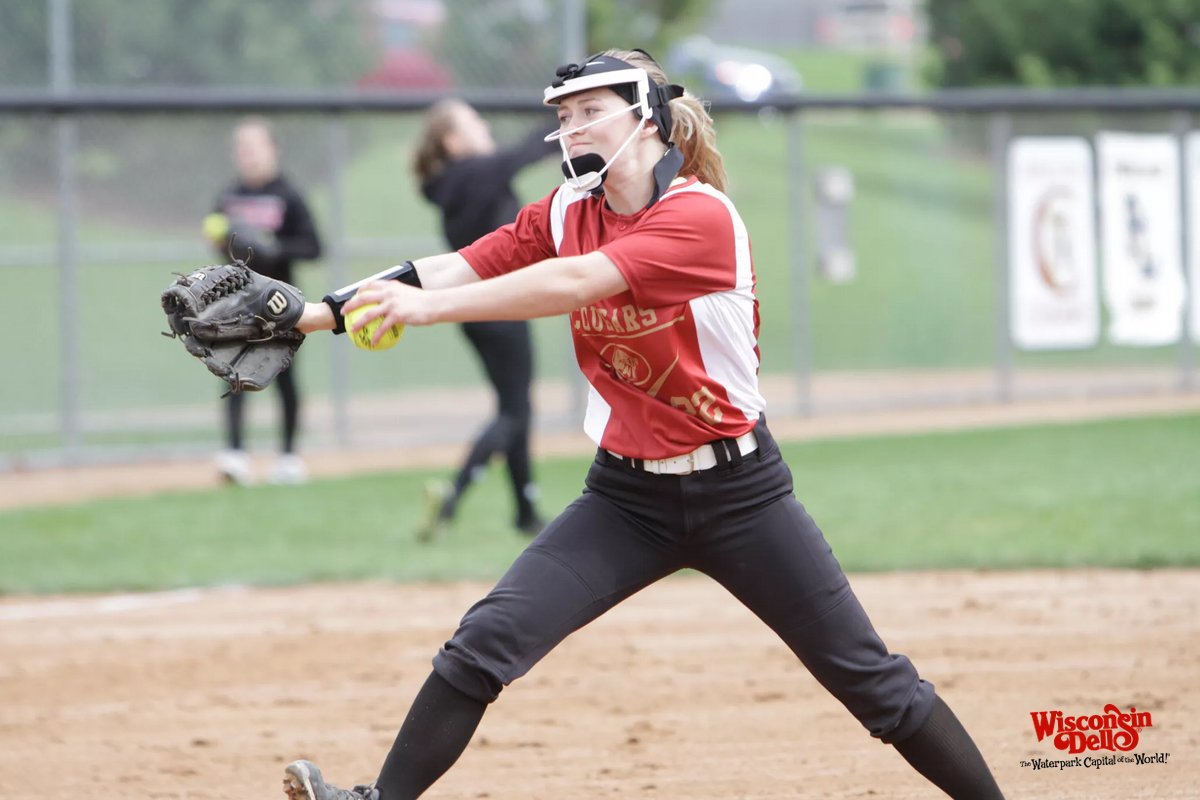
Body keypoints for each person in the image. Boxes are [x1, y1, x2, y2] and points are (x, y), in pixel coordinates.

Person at [280, 50, 1005, 800]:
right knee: (484, 643)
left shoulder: (700, 216)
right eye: (564, 116)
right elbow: (461, 265)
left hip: (740, 495)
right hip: (627, 499)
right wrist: (307, 318)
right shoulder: (569, 210)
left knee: (873, 684)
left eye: (593, 110)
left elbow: (576, 282)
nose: (573, 127)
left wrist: (425, 311)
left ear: (649, 118)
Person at [411, 98, 557, 538]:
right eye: (473, 122)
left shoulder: (455, 180)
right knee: (514, 410)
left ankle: (524, 510)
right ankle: (454, 495)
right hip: (500, 301)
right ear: (452, 141)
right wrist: (569, 117)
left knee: (515, 405)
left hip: (475, 306)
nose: (484, 126)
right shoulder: (473, 173)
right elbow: (527, 152)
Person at [207, 116, 323, 486]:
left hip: (279, 302)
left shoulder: (288, 194)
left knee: (284, 376)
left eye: (255, 147)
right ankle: (236, 454)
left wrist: (277, 248)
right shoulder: (229, 195)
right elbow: (217, 238)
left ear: (273, 150)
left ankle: (288, 457)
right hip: (237, 300)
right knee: (233, 372)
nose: (248, 155)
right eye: (242, 148)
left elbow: (314, 246)